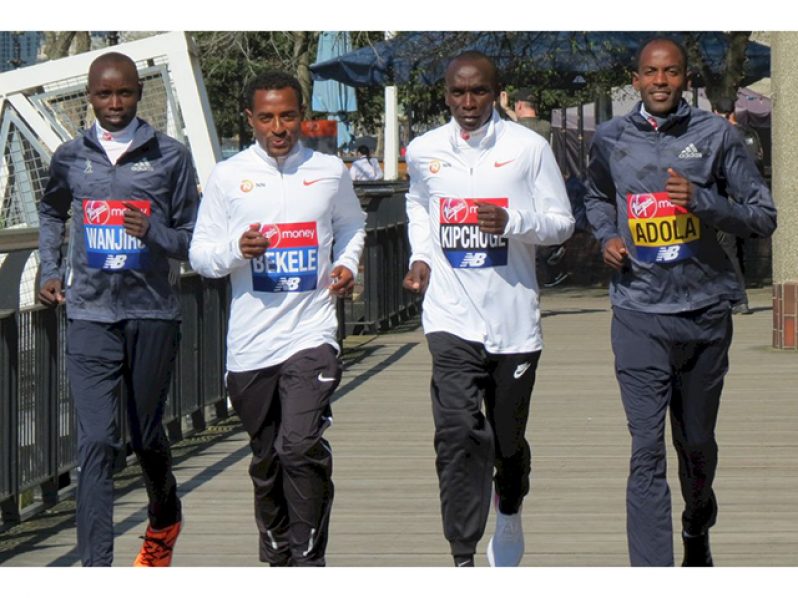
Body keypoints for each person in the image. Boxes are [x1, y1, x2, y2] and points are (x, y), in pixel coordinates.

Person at [584, 37, 777, 567]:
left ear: (685, 77)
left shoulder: (717, 136)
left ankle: (697, 522)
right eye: (651, 72)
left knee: (696, 446)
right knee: (645, 450)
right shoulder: (610, 138)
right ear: (636, 79)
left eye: (671, 72)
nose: (661, 81)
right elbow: (597, 196)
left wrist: (705, 201)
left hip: (704, 312)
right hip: (638, 312)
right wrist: (606, 237)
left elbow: (763, 216)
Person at [403, 51, 574, 567]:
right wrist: (420, 256)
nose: (468, 103)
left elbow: (561, 222)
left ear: (496, 92)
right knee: (457, 432)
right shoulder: (424, 150)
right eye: (458, 93)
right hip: (450, 316)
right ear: (446, 94)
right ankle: (461, 555)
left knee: (506, 443)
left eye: (478, 92)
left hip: (513, 321)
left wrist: (513, 222)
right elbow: (418, 204)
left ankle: (511, 503)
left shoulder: (529, 148)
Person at [189, 71, 365, 567]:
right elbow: (201, 255)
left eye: (287, 115)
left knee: (299, 444)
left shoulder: (330, 171)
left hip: (312, 332)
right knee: (267, 460)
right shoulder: (228, 177)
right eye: (266, 117)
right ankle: (278, 554)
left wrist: (347, 264)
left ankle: (309, 557)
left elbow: (352, 225)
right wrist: (235, 251)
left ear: (301, 117)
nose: (278, 127)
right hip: (251, 346)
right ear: (250, 119)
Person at [38, 52, 198, 566]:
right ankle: (96, 567)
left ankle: (164, 513)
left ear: (138, 93)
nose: (114, 103)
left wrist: (152, 231)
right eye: (104, 94)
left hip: (151, 312)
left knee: (145, 435)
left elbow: (192, 239)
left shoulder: (170, 156)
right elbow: (51, 210)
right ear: (89, 95)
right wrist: (48, 269)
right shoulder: (69, 156)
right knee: (96, 444)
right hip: (88, 315)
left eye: (124, 93)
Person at [711, 97, 765, 315]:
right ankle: (737, 297)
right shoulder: (749, 134)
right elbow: (757, 164)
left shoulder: (719, 136)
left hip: (726, 200)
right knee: (737, 250)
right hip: (749, 202)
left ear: (717, 112)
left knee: (725, 249)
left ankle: (737, 298)